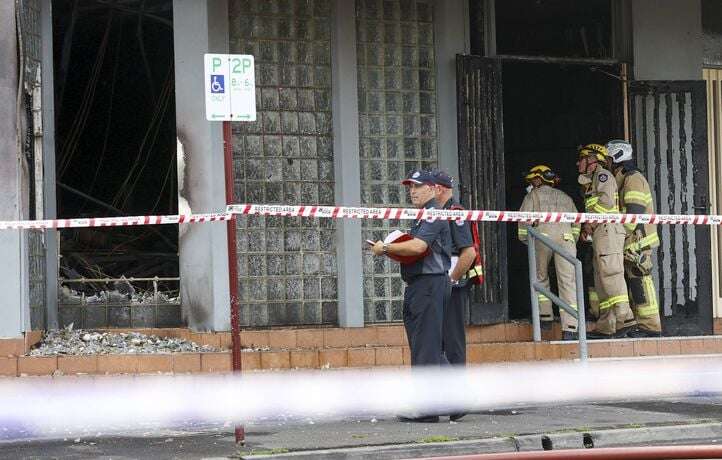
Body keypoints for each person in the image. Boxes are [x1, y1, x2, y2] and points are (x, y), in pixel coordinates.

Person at [369, 169, 451, 423]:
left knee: (425, 347)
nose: (412, 191)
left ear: (432, 188)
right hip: (420, 286)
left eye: (417, 186)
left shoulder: (433, 214)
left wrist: (387, 248)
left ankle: (426, 410)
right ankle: (459, 398)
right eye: (410, 187)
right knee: (426, 345)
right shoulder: (422, 216)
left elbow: (419, 246)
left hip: (429, 285)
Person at [577, 144, 636, 338]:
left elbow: (606, 204)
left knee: (611, 272)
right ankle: (607, 326)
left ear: (593, 161)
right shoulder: (592, 181)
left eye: (582, 159)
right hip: (601, 233)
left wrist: (589, 224)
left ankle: (625, 318)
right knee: (601, 279)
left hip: (608, 231)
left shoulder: (604, 177)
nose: (578, 163)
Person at [517, 165, 581, 340]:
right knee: (568, 281)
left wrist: (527, 242)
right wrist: (571, 239)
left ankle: (545, 317)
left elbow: (523, 224)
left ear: (538, 179)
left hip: (541, 238)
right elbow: (577, 222)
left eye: (532, 180)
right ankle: (570, 327)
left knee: (540, 277)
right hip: (566, 239)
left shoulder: (532, 196)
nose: (531, 183)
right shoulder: (566, 197)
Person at [606, 140, 662, 337]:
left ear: (617, 157)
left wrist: (619, 236)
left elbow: (634, 213)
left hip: (638, 241)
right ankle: (642, 325)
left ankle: (651, 327)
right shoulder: (623, 178)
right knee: (634, 283)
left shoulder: (633, 178)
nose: (607, 163)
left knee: (640, 281)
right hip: (632, 240)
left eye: (609, 159)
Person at [430, 170, 475, 370]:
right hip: (441, 282)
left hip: (452, 284)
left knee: (453, 337)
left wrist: (451, 280)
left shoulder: (454, 212)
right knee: (439, 337)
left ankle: (458, 388)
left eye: (428, 187)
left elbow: (469, 253)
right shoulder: (440, 212)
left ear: (438, 189)